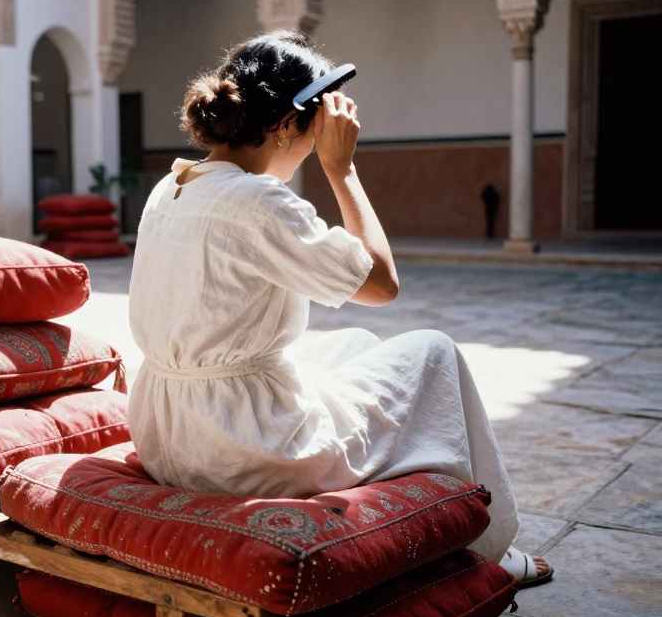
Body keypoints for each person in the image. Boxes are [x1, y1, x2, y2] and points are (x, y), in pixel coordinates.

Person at [126, 30, 552, 587]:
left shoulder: (173, 185)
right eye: (312, 132)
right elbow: (381, 284)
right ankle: (492, 550)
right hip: (239, 451)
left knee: (353, 345)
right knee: (433, 353)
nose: (314, 145)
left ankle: (416, 486)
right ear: (284, 126)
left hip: (165, 432)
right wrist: (341, 168)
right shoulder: (257, 202)